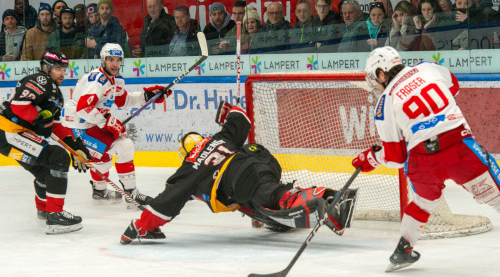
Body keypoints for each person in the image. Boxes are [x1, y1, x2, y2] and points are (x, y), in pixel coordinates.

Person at [120, 102, 358, 244]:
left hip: (243, 176)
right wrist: (226, 112)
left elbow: (166, 202)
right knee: (257, 198)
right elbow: (241, 117)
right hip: (260, 158)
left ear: (185, 154)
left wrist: (139, 227)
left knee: (271, 195)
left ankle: (330, 199)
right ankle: (277, 213)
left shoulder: (190, 168)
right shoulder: (219, 138)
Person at [354, 46, 500, 272]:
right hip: (460, 148)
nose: (375, 84)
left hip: (423, 161)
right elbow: (454, 86)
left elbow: (396, 158)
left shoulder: (384, 104)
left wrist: (372, 158)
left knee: (423, 202)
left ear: (383, 73)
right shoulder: (426, 67)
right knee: (496, 196)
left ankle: (403, 249)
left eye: (375, 78)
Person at [61, 43, 167, 205]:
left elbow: (123, 100)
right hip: (77, 128)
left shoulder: (115, 80)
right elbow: (83, 108)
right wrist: (107, 122)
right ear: (103, 60)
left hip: (92, 125)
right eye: (110, 59)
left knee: (104, 160)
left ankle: (99, 190)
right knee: (124, 146)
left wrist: (147, 96)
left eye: (118, 60)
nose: (115, 64)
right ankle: (131, 193)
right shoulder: (97, 80)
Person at [0, 50, 91, 234]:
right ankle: (55, 215)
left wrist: (76, 147)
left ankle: (44, 210)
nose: (62, 73)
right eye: (58, 68)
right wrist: (38, 118)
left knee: (43, 172)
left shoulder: (56, 94)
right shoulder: (41, 81)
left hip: (9, 138)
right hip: (9, 132)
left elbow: (56, 126)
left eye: (64, 69)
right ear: (45, 68)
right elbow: (19, 106)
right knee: (58, 158)